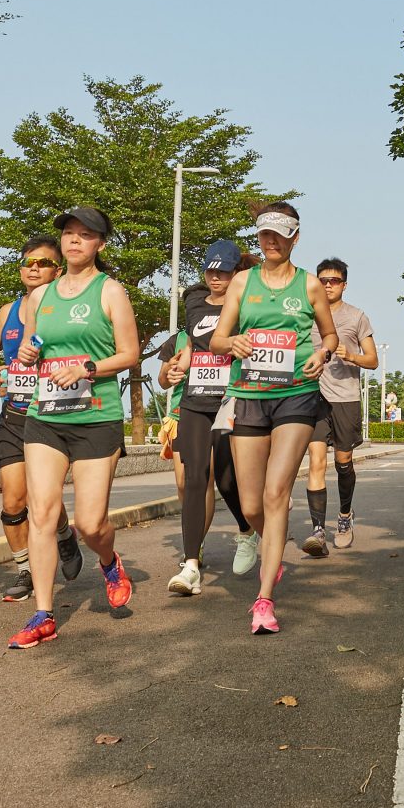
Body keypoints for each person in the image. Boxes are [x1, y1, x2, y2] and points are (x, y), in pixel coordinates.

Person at [6, 206, 144, 647]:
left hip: (95, 416)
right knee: (42, 513)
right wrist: (28, 354)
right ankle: (43, 613)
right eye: (69, 233)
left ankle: (108, 560)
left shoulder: (110, 291)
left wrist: (88, 367)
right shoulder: (40, 297)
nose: (74, 241)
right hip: (46, 416)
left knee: (89, 522)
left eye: (85, 235)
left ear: (100, 244)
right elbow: (32, 342)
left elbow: (130, 354)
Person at [211, 202, 340, 634]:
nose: (269, 240)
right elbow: (216, 338)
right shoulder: (243, 282)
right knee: (251, 505)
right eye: (264, 233)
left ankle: (264, 599)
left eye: (279, 234)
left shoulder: (309, 287)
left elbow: (329, 335)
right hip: (248, 394)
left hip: (297, 397)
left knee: (275, 491)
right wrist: (234, 343)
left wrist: (322, 355)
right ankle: (272, 547)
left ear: (295, 237)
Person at [0, 235, 87, 604]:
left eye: (42, 263)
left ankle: (64, 535)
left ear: (56, 269)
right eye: (27, 263)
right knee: (13, 499)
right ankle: (25, 569)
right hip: (14, 416)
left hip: (53, 415)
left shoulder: (68, 309)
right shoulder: (8, 311)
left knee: (43, 498)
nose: (33, 268)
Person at [159, 239, 258, 595]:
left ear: (237, 274)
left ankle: (247, 531)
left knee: (228, 481)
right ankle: (191, 567)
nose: (216, 278)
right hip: (195, 400)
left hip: (231, 398)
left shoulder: (247, 303)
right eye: (211, 271)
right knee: (195, 480)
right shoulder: (194, 301)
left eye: (224, 272)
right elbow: (190, 346)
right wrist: (175, 368)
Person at [302, 258, 379, 553]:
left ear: (344, 285)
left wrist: (352, 356)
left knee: (343, 463)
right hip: (313, 397)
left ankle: (345, 516)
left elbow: (372, 360)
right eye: (322, 280)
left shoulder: (356, 317)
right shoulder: (305, 315)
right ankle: (318, 531)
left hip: (345, 398)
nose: (328, 285)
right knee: (316, 462)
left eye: (334, 281)